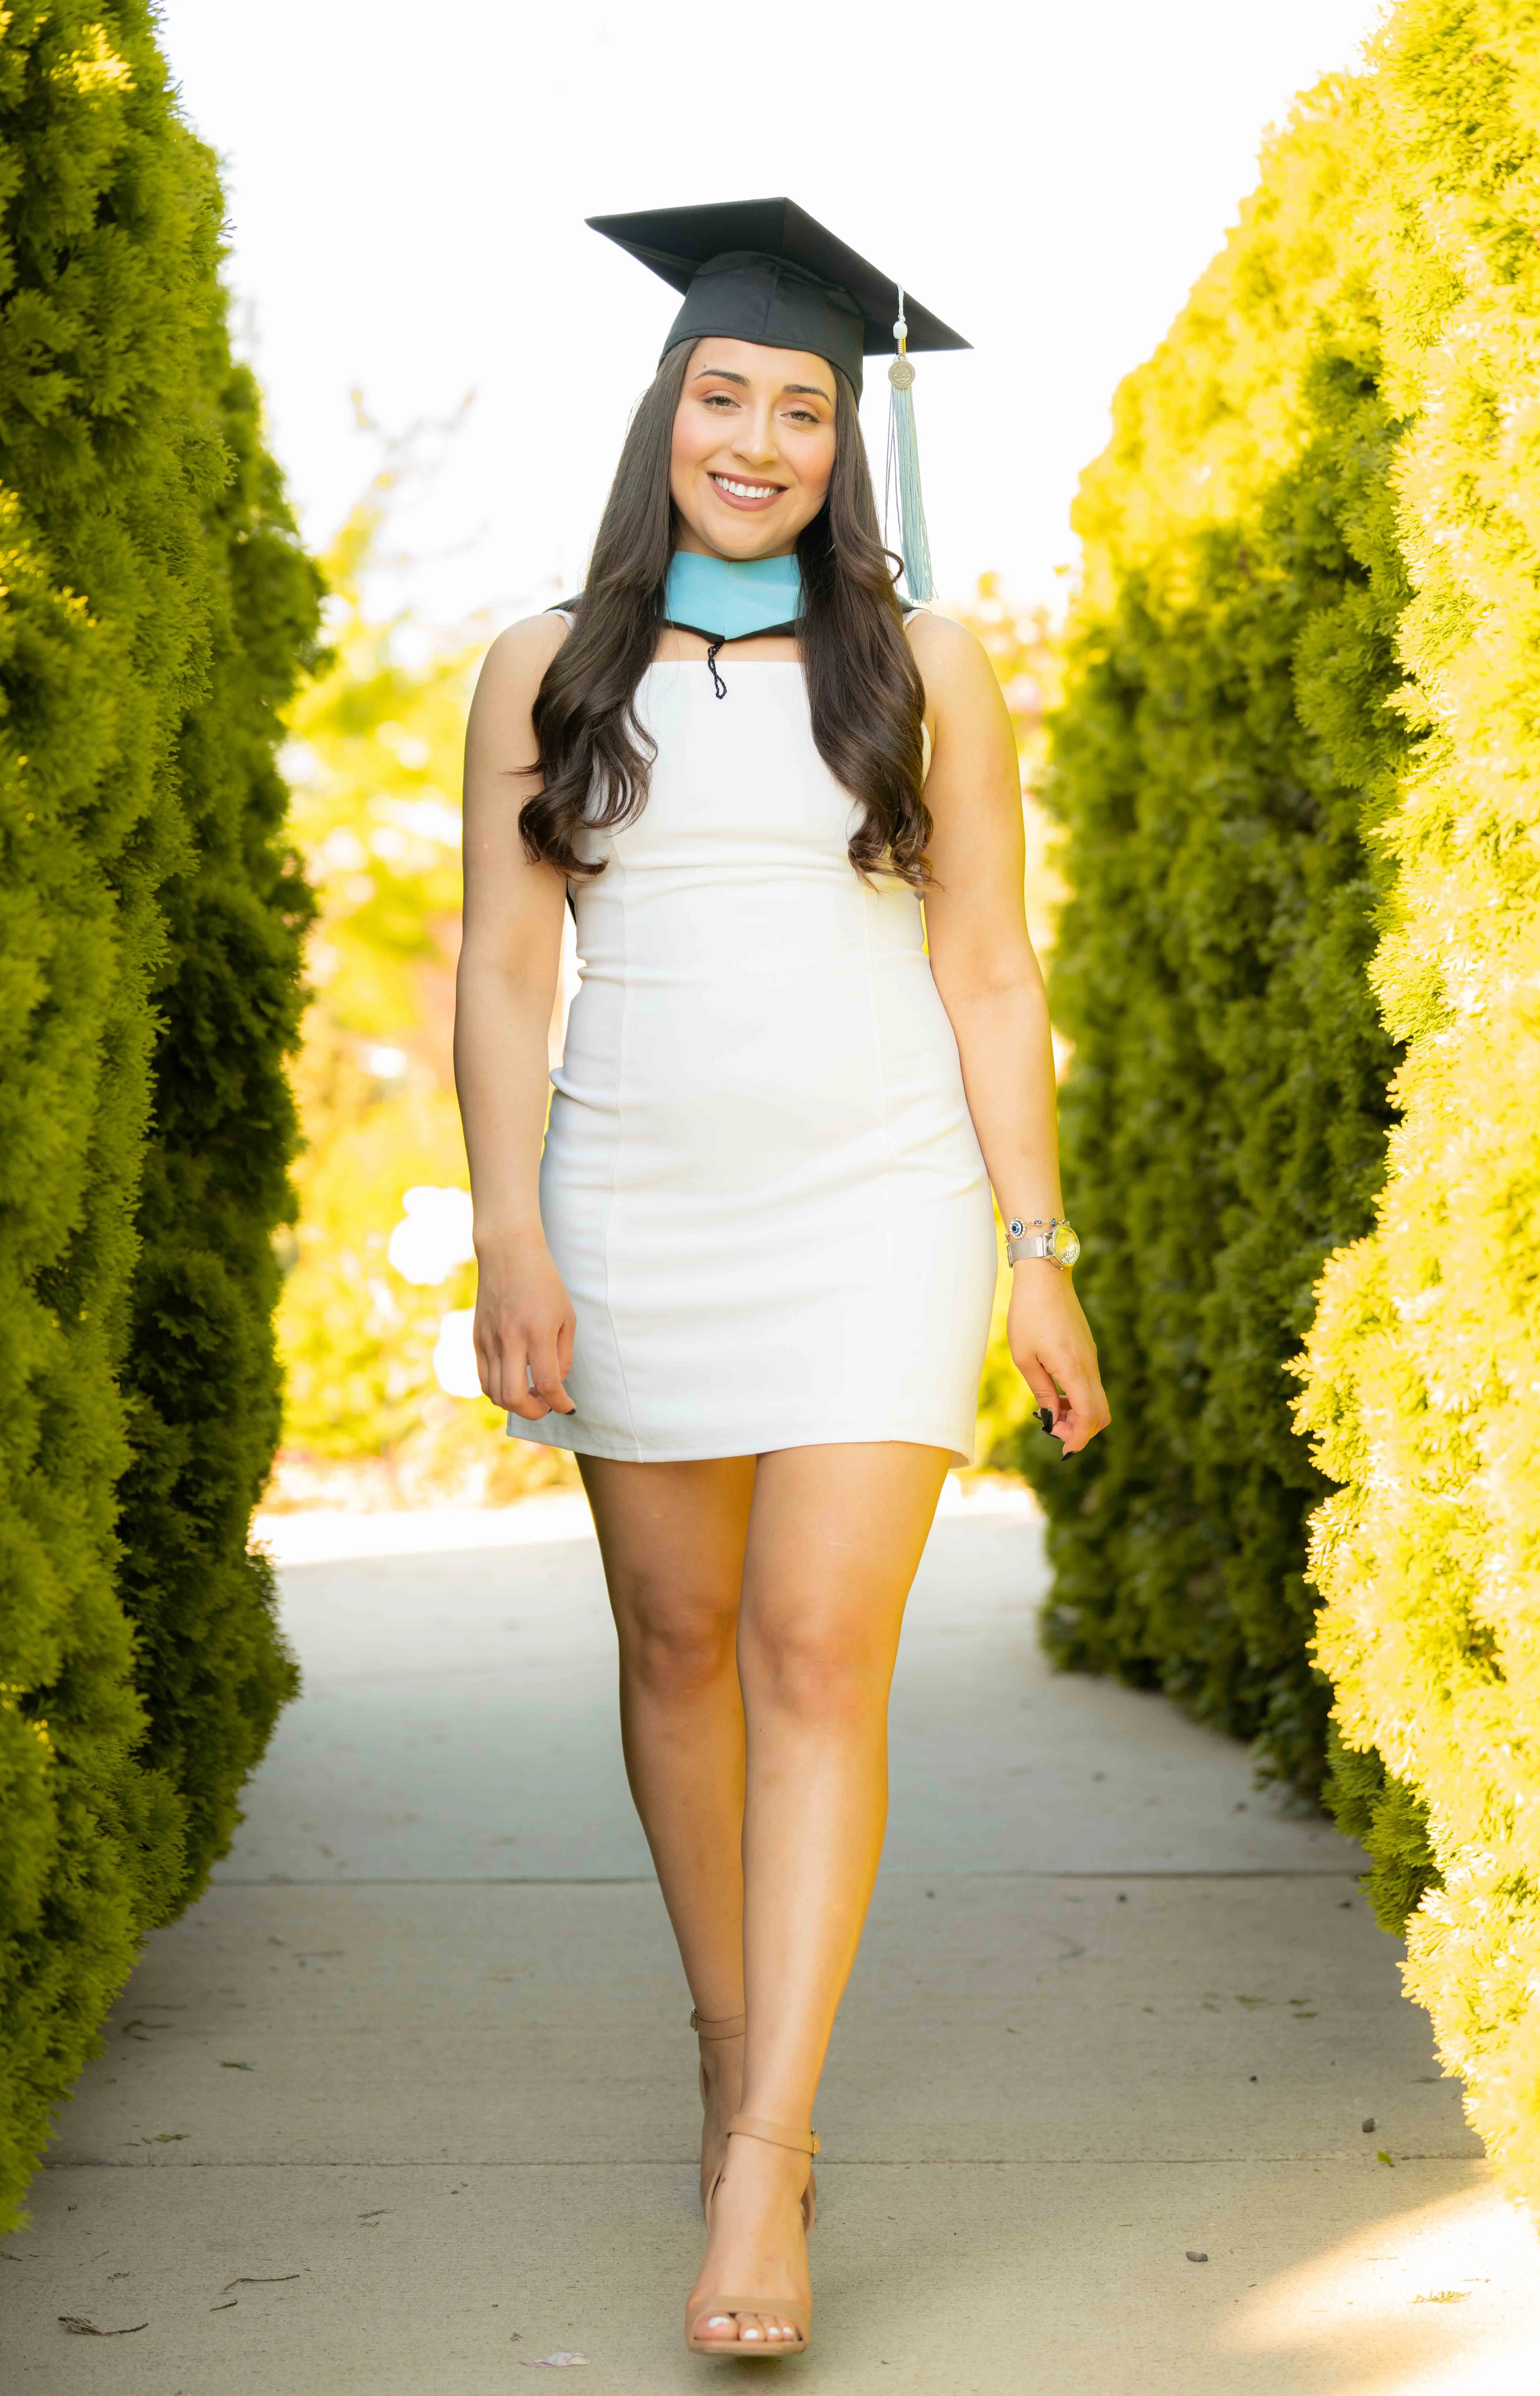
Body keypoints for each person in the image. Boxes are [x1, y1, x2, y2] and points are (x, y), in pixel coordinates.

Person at [454, 197, 1109, 2361]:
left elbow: (989, 963)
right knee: (679, 1640)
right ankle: (733, 2041)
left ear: (845, 442)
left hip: (880, 1200)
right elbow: (500, 973)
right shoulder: (540, 668)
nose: (759, 438)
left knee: (818, 1647)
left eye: (803, 407)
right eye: (724, 395)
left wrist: (1036, 1249)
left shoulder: (923, 672)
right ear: (667, 414)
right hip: (633, 1197)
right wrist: (512, 1232)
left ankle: (768, 2160)